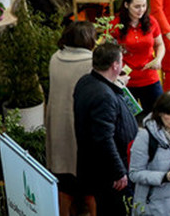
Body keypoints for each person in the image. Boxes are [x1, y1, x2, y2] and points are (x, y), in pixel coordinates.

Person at [74, 41, 138, 215]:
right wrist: (118, 172)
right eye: (121, 61)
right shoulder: (104, 96)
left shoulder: (86, 81)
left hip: (95, 167)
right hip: (109, 175)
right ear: (115, 65)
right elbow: (103, 138)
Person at [47, 21, 96, 216]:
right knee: (92, 189)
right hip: (83, 131)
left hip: (59, 130)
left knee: (64, 187)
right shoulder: (91, 63)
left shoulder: (55, 58)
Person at [112, 0, 166, 114]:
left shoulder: (151, 22)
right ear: (126, 5)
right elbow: (106, 50)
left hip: (149, 77)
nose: (141, 10)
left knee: (158, 115)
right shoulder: (116, 24)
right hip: (125, 79)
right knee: (128, 119)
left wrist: (158, 59)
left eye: (144, 5)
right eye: (137, 6)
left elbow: (160, 45)